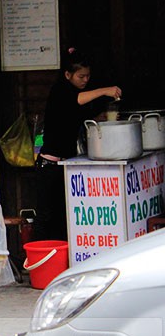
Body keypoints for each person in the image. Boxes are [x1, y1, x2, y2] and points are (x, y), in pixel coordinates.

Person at [34, 47, 122, 241]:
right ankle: (37, 260)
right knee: (45, 217)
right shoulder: (61, 91)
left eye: (87, 76)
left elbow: (81, 113)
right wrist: (105, 91)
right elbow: (77, 100)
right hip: (49, 165)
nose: (85, 80)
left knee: (61, 217)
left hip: (65, 164)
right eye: (81, 76)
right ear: (68, 75)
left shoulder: (74, 95)